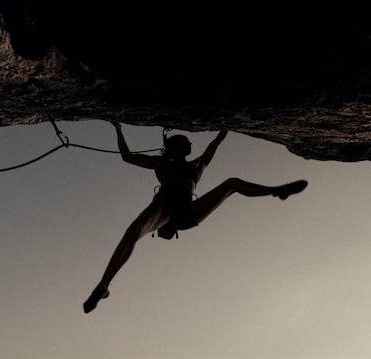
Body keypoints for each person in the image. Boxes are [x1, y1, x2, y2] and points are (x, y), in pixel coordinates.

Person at [83, 121, 307, 313]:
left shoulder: (196, 165)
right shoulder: (163, 163)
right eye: (186, 141)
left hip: (185, 209)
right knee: (134, 231)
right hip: (167, 206)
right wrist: (118, 129)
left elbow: (216, 143)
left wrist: (225, 127)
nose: (191, 144)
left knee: (232, 183)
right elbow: (127, 157)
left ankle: (276, 190)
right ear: (174, 146)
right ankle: (103, 286)